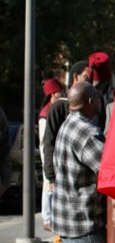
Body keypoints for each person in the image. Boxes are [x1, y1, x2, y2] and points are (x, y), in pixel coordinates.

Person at [52, 82, 107, 243]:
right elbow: (109, 168)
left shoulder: (69, 123)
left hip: (65, 218)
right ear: (91, 102)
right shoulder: (86, 132)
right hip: (81, 220)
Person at [42, 60, 93, 243]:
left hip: (75, 180)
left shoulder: (86, 111)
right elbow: (48, 144)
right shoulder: (60, 109)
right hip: (60, 180)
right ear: (74, 78)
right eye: (85, 76)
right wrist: (51, 177)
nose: (89, 80)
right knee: (62, 232)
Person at [38, 78, 64, 232]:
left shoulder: (53, 109)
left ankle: (50, 217)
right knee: (48, 186)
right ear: (53, 93)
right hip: (47, 154)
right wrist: (46, 161)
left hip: (50, 153)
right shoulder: (45, 114)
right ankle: (47, 218)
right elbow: (44, 141)